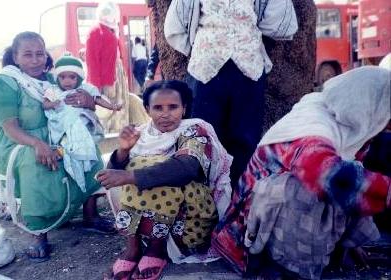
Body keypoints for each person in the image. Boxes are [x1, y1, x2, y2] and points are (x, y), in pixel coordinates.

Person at [212, 66, 391, 279]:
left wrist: (347, 242)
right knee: (310, 187)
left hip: (280, 223)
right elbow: (332, 177)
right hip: (247, 237)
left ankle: (335, 249)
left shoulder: (346, 122)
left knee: (354, 174)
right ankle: (282, 268)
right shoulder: (314, 125)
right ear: (371, 105)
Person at [0, 31, 115, 262]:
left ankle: (90, 215)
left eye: (40, 54)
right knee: (36, 161)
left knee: (87, 147)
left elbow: (79, 102)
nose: (35, 60)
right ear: (15, 57)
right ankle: (38, 234)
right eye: (28, 55)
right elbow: (9, 128)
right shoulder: (4, 82)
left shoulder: (52, 79)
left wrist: (88, 103)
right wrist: (38, 143)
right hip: (19, 141)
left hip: (56, 134)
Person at [96, 80, 232, 280]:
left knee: (150, 168)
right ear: (147, 109)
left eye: (173, 107)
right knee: (130, 168)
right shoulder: (142, 133)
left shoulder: (195, 130)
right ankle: (133, 248)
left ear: (184, 108)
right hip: (153, 215)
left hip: (190, 218)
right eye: (158, 108)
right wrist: (123, 150)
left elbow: (186, 168)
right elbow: (112, 178)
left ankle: (156, 249)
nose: (165, 114)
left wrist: (130, 175)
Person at [187, 0, 273, 190]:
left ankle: (237, 203)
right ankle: (205, 204)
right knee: (204, 138)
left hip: (248, 66)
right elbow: (180, 20)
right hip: (206, 66)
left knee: (245, 139)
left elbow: (275, 20)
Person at [43, 53, 122, 190]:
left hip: (82, 124)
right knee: (66, 141)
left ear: (79, 77)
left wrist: (112, 106)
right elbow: (45, 105)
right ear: (57, 78)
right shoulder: (53, 90)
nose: (67, 81)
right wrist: (54, 103)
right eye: (62, 77)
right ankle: (64, 152)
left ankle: (81, 159)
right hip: (63, 124)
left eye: (72, 77)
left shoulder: (85, 88)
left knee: (83, 139)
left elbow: (98, 99)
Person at [85, 1, 130, 133]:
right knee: (106, 111)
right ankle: (109, 139)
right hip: (107, 81)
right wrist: (95, 87)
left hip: (117, 77)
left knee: (118, 110)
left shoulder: (111, 31)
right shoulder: (95, 32)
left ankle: (120, 136)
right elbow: (92, 62)